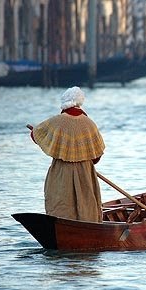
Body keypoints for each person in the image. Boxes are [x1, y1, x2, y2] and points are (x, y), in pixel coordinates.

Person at [28, 86, 105, 222]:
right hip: (85, 172)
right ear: (80, 103)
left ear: (64, 103)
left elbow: (37, 136)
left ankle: (62, 226)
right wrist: (81, 158)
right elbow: (96, 157)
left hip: (61, 172)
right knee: (86, 206)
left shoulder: (56, 121)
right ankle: (87, 225)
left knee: (61, 205)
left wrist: (35, 132)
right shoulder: (90, 124)